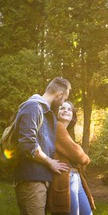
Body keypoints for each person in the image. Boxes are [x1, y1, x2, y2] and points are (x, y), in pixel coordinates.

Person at [14, 77, 72, 215]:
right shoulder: (33, 107)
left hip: (39, 180)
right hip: (30, 180)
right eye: (64, 98)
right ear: (59, 95)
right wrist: (50, 162)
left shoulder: (44, 110)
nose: (63, 102)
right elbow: (28, 144)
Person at [47, 101, 95, 215]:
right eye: (62, 108)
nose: (65, 110)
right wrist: (86, 158)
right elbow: (78, 155)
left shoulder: (66, 132)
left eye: (69, 109)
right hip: (66, 179)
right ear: (57, 113)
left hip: (76, 178)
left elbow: (74, 152)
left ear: (73, 115)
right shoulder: (57, 126)